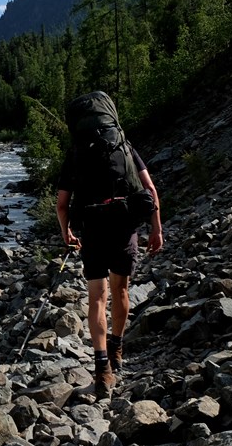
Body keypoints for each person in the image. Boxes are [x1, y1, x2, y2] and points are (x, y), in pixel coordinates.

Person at [55, 98, 163, 399]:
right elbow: (150, 191)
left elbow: (62, 205)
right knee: (121, 291)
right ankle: (116, 347)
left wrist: (66, 233)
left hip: (92, 230)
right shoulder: (124, 147)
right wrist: (156, 228)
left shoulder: (76, 153)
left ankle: (102, 369)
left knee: (97, 298)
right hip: (124, 227)